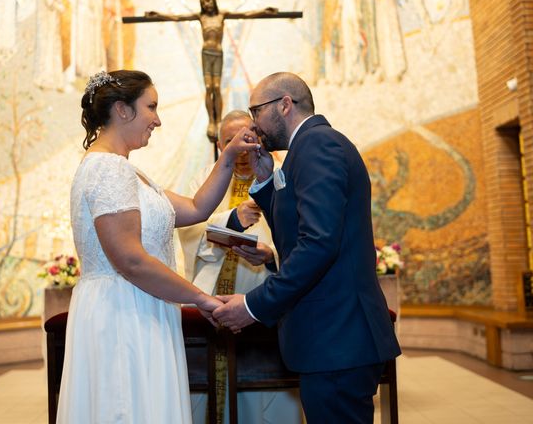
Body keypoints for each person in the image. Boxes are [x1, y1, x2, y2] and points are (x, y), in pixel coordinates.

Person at [56, 70, 258, 423]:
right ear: (122, 110)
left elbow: (197, 207)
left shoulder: (129, 173)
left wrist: (228, 156)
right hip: (123, 314)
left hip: (140, 307)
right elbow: (130, 260)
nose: (158, 119)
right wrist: (202, 298)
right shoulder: (108, 170)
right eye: (151, 107)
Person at [213, 72, 401, 423]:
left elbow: (318, 244)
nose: (253, 123)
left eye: (257, 110)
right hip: (330, 338)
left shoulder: (318, 145)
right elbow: (296, 234)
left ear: (284, 104)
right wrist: (267, 181)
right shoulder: (305, 149)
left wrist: (253, 305)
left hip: (337, 336)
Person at [178, 110, 302, 424]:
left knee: (263, 394)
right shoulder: (206, 177)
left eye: (249, 139)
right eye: (234, 142)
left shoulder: (278, 174)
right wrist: (232, 219)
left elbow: (300, 236)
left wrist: (271, 255)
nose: (244, 150)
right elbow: (187, 229)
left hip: (261, 291)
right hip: (212, 300)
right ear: (221, 145)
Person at [144, 0, 278, 142]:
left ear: (213, 1)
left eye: (208, 1)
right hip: (206, 54)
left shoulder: (222, 15)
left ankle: (218, 120)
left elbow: (245, 14)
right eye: (203, 2)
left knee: (216, 87)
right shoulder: (202, 17)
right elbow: (177, 17)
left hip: (218, 53)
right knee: (209, 87)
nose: (206, 4)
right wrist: (157, 15)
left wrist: (263, 11)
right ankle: (211, 121)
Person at [33, 0, 64, 91]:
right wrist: (54, 4)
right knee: (44, 42)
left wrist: (59, 1)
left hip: (54, 12)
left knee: (54, 43)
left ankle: (55, 79)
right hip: (44, 11)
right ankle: (42, 78)